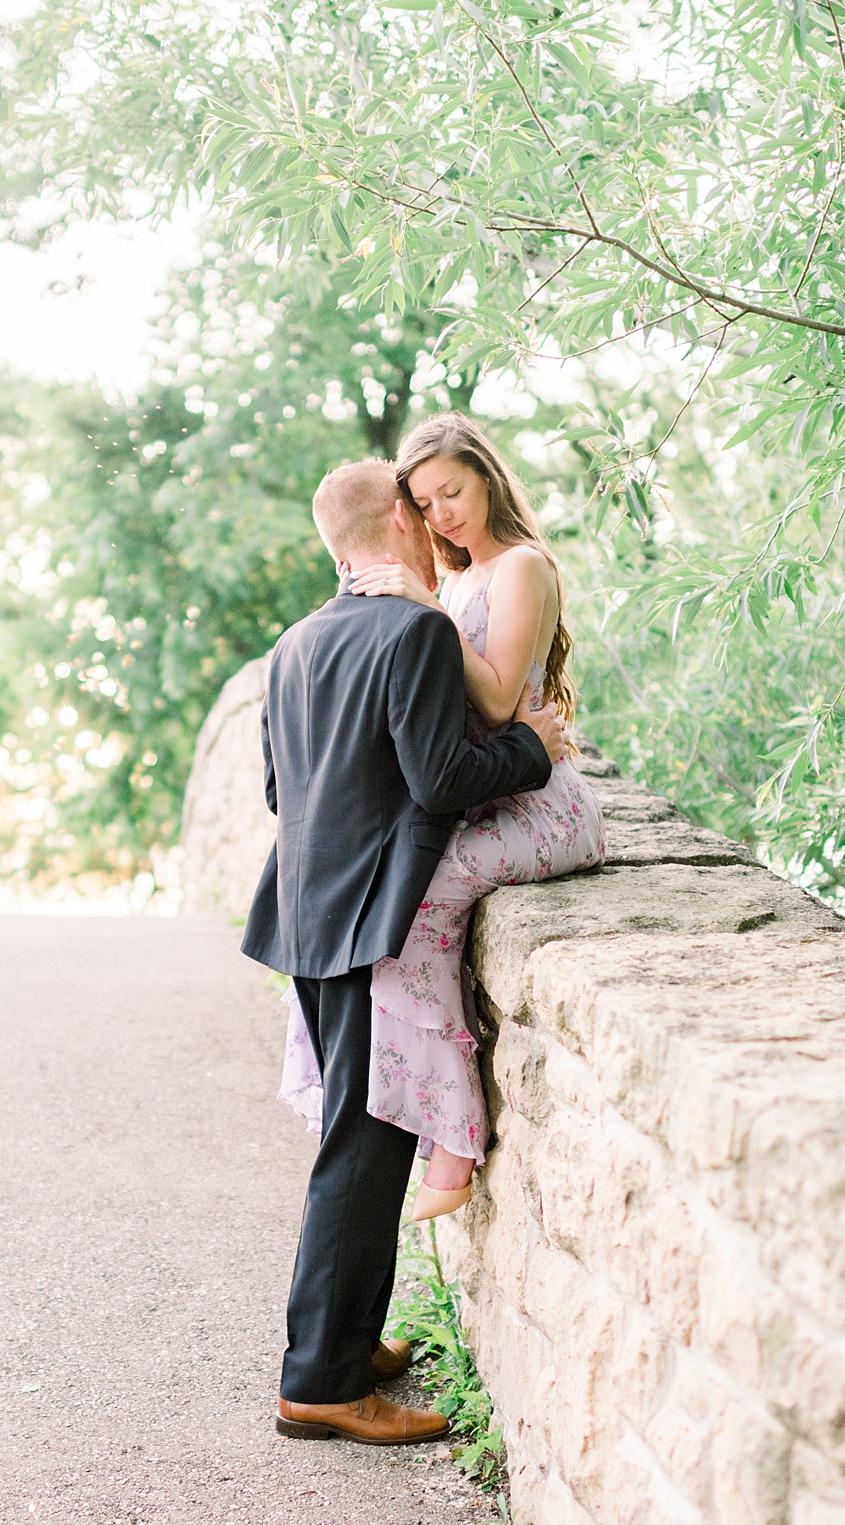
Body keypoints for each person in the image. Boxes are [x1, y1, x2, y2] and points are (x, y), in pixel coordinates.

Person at [245, 458, 573, 1446]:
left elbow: (278, 793)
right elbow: (441, 781)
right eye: (418, 508)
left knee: (355, 1142)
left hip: (307, 914)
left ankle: (341, 1343)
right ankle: (322, 1382)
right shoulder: (416, 628)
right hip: (374, 912)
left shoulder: (296, 642)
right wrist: (538, 750)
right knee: (366, 1147)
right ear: (398, 515)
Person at [279, 414, 605, 1221]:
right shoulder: (451, 583)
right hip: (486, 798)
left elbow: (496, 702)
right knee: (395, 898)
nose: (442, 516)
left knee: (416, 909)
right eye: (423, 505)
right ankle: (406, 1111)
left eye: (452, 491)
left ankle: (454, 1138)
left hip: (540, 805)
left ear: (487, 478)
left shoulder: (518, 568)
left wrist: (425, 603)